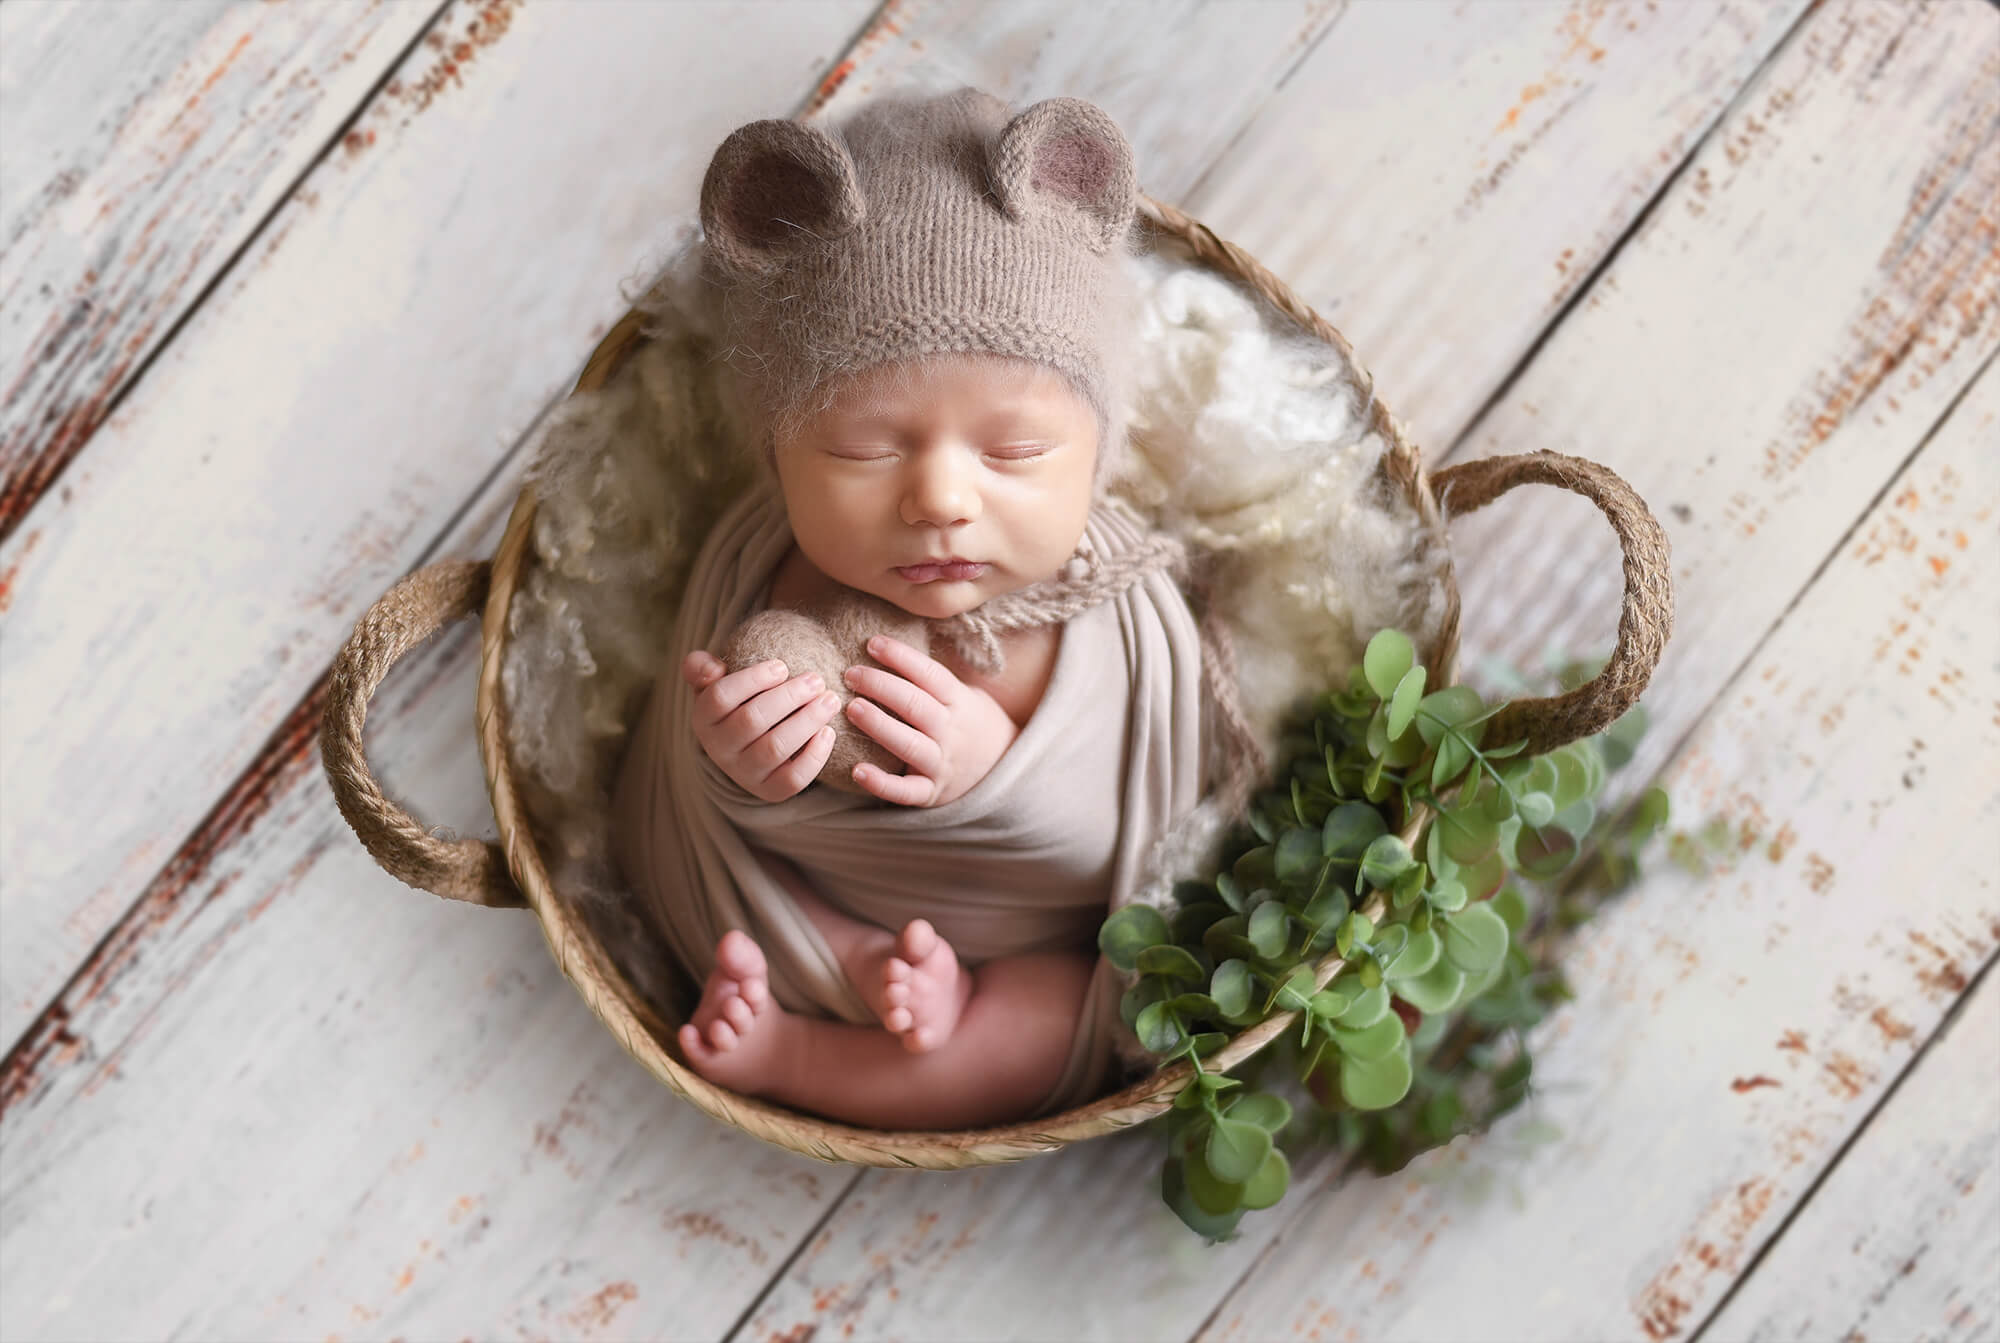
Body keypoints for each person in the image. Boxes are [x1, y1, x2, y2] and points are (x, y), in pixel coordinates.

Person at [610, 88, 1231, 1130]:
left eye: (1014, 451)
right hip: (805, 915)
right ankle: (842, 979)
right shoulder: (767, 581)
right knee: (737, 922)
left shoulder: (1117, 614)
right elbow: (683, 805)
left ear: (1097, 457)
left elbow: (1153, 835)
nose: (940, 498)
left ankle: (801, 1056)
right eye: (862, 450)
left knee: (1052, 1027)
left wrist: (997, 773)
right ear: (779, 460)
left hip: (1032, 946)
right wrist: (742, 763)